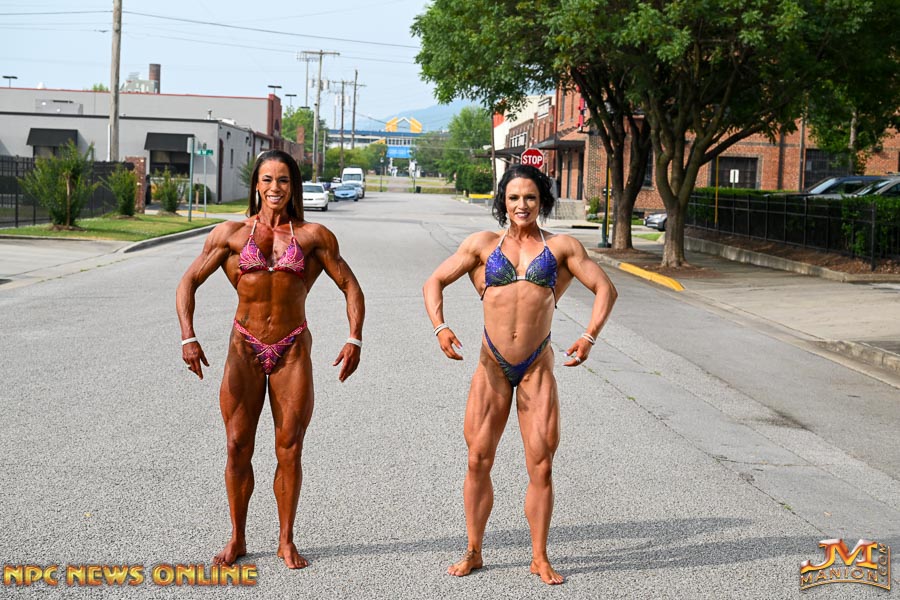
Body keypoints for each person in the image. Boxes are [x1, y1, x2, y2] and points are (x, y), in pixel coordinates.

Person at [423, 164, 617, 585]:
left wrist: (589, 337)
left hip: (536, 367)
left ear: (541, 200)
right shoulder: (482, 245)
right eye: (513, 198)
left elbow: (606, 289)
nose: (522, 205)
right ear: (503, 201)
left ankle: (539, 557)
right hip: (491, 365)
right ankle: (474, 550)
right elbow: (434, 281)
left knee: (541, 466)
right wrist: (440, 327)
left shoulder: (562, 247)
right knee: (477, 459)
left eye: (530, 197)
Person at [176, 149, 365, 569]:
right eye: (267, 179)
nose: (275, 187)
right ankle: (238, 537)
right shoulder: (230, 234)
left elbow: (350, 286)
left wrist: (354, 338)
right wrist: (188, 336)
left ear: (293, 185)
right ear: (256, 185)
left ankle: (285, 539)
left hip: (291, 348)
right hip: (243, 347)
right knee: (236, 445)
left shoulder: (314, 236)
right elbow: (188, 281)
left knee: (290, 448)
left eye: (283, 180)